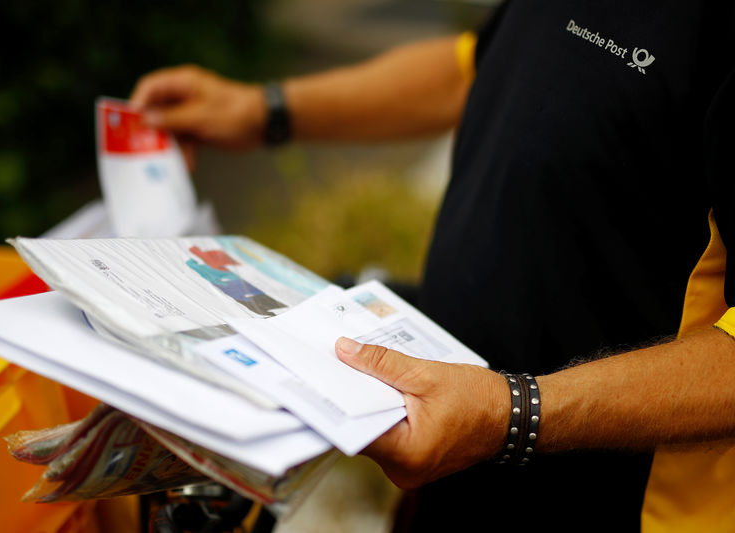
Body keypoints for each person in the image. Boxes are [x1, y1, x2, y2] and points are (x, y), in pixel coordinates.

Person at [131, 2, 735, 530]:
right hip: (457, 459)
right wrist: (264, 110)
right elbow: (477, 68)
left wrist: (515, 413)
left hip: (612, 508)